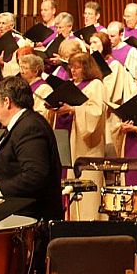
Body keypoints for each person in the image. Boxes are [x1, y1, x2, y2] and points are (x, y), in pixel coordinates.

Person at [0, 76, 63, 221]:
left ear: (7, 102)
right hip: (17, 215)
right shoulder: (19, 125)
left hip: (30, 220)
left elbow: (35, 176)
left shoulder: (30, 127)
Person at [55, 52, 107, 219]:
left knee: (86, 179)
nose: (73, 71)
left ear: (87, 68)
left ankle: (88, 219)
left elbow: (96, 112)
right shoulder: (69, 85)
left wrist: (73, 109)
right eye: (71, 67)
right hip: (68, 136)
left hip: (86, 143)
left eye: (77, 67)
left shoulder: (95, 85)